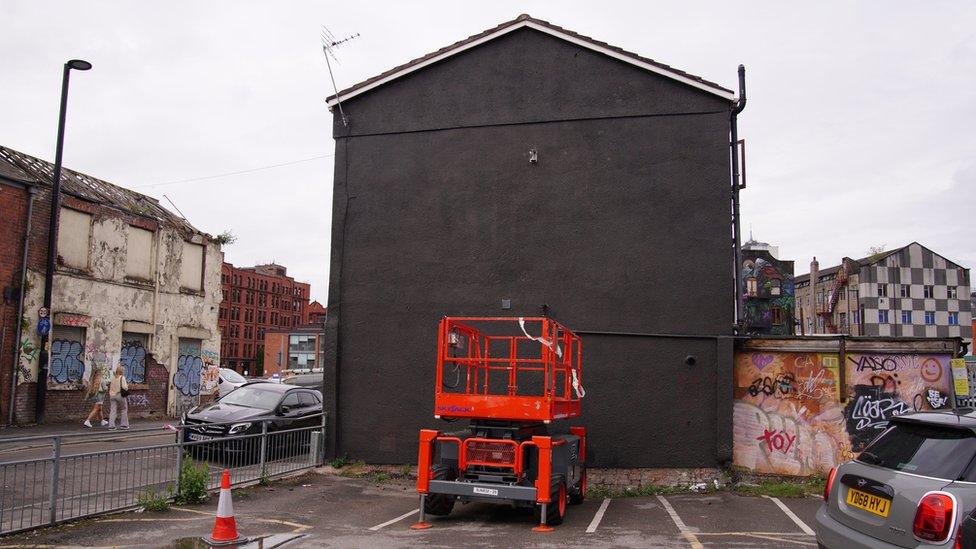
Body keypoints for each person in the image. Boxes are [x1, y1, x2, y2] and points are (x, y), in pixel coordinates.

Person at [107, 366, 129, 431]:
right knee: (124, 409)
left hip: (112, 395)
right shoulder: (122, 378)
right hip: (119, 395)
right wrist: (127, 387)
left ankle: (111, 426)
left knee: (113, 410)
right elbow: (124, 387)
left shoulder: (113, 378)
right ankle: (124, 425)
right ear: (121, 371)